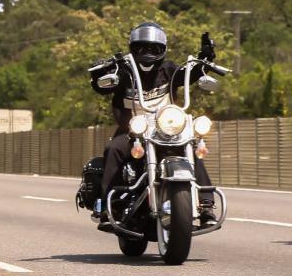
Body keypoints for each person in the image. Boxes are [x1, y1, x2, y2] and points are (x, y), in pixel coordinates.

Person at [89, 22, 217, 225]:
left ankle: (206, 205)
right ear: (133, 47)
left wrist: (205, 59)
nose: (147, 52)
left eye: (153, 48)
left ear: (163, 49)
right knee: (113, 149)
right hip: (133, 131)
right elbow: (103, 87)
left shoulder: (170, 70)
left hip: (166, 130)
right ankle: (108, 207)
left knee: (191, 148)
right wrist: (98, 74)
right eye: (142, 47)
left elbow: (188, 75)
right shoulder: (124, 70)